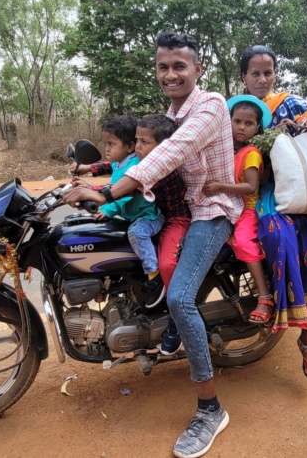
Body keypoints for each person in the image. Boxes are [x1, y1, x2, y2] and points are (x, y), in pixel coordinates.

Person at [65, 32, 241, 458]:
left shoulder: (210, 105)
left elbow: (168, 155)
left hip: (210, 209)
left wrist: (105, 194)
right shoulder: (169, 112)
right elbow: (144, 160)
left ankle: (210, 409)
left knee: (180, 298)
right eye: (163, 67)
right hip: (176, 207)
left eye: (179, 66)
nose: (170, 74)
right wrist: (103, 187)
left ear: (197, 70)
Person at [239, 44, 307, 380]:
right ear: (244, 76)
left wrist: (305, 127)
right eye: (255, 73)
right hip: (265, 194)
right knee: (278, 239)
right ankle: (274, 309)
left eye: (268, 72)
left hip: (301, 194)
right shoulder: (241, 111)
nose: (263, 79)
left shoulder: (290, 103)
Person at [201, 95, 274, 323]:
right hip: (228, 206)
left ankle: (264, 297)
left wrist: (219, 187)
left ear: (257, 127)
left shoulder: (251, 153)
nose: (242, 127)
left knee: (243, 241)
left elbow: (251, 187)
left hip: (247, 208)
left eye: (249, 123)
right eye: (237, 121)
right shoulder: (225, 149)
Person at [92, 115, 166, 308]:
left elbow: (124, 195)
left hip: (149, 216)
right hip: (134, 215)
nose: (106, 148)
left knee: (137, 233)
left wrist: (107, 208)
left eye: (111, 143)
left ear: (129, 146)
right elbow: (112, 186)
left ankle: (154, 276)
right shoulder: (119, 163)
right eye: (105, 143)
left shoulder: (134, 165)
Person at [135, 114, 191, 354]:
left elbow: (128, 186)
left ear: (164, 148)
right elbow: (117, 166)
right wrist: (88, 171)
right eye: (136, 140)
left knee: (167, 264)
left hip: (176, 219)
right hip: (156, 216)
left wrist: (99, 192)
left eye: (144, 142)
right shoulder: (142, 162)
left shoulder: (163, 170)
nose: (137, 146)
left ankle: (177, 321)